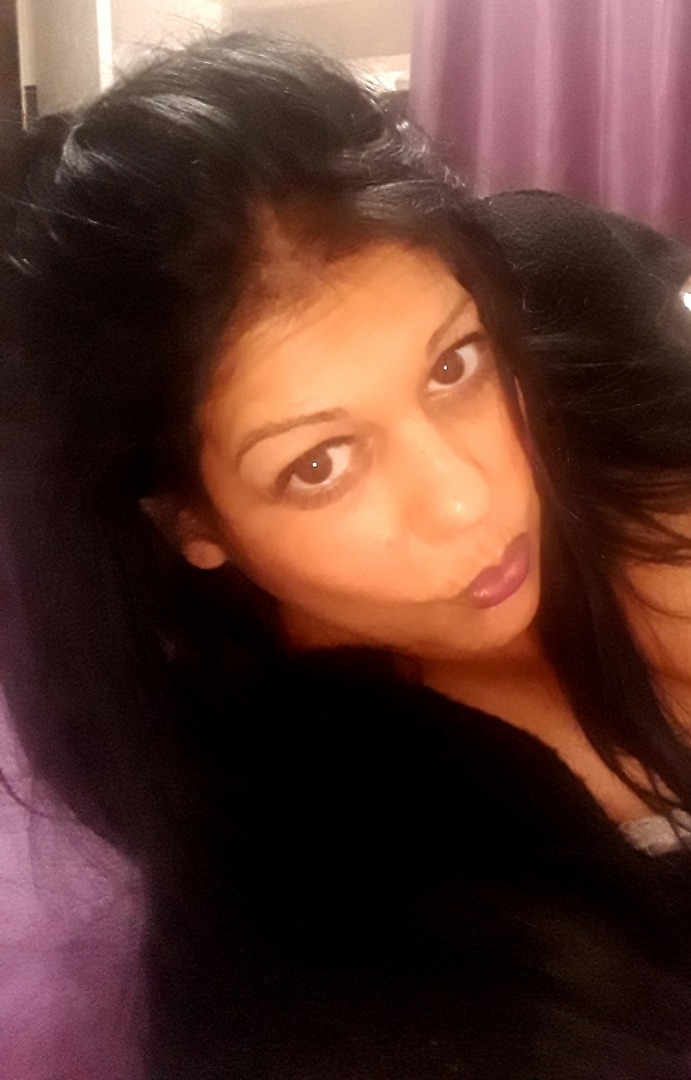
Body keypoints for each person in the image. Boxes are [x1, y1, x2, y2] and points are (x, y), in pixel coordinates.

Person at [2, 30, 691, 1080]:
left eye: (453, 365)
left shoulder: (582, 321)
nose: (467, 500)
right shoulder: (330, 937)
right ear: (190, 522)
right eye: (318, 464)